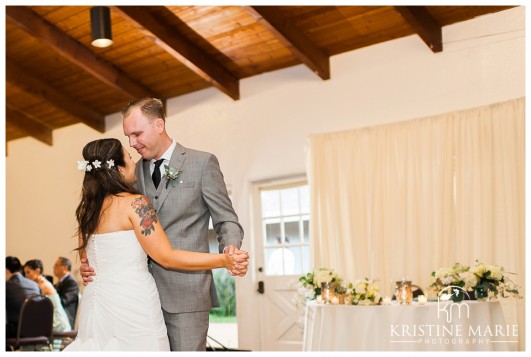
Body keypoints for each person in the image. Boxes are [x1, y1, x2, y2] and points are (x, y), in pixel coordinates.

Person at [81, 98, 247, 351]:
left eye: (137, 134)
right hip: (137, 298)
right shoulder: (129, 173)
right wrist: (90, 263)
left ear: (159, 125)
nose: (132, 143)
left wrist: (231, 250)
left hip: (186, 293)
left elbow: (226, 219)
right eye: (128, 137)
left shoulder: (202, 163)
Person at [23, 259, 72, 333]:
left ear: (37, 271)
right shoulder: (41, 284)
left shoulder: (43, 286)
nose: (26, 276)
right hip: (52, 321)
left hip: (58, 324)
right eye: (25, 273)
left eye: (28, 272)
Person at [5, 256, 41, 338]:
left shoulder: (6, 286)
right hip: (39, 329)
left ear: (6, 270)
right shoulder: (35, 285)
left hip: (18, 331)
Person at [53, 257, 79, 328]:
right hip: (57, 317)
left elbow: (63, 301)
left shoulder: (71, 282)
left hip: (64, 320)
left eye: (56, 265)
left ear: (65, 267)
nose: (54, 268)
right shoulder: (58, 283)